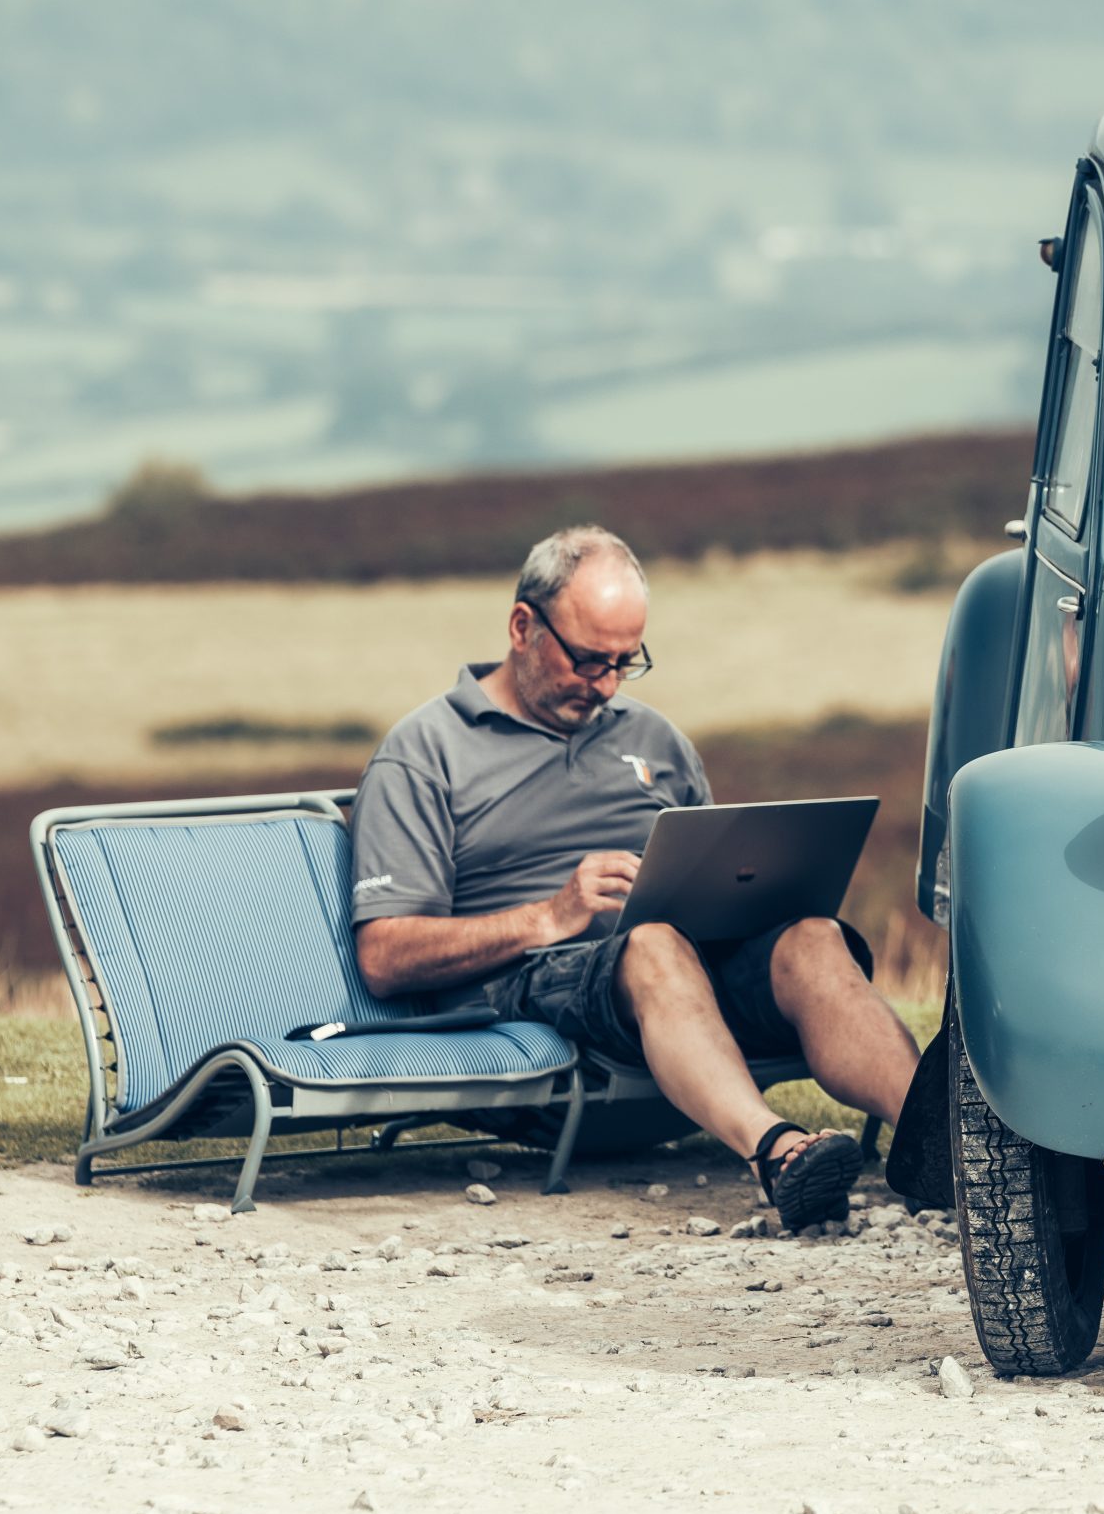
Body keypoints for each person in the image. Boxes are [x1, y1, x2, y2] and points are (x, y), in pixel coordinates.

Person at [348, 525, 918, 1228]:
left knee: (809, 936)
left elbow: (723, 874)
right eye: (588, 661)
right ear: (523, 625)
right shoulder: (425, 752)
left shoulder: (654, 740)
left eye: (626, 662)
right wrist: (548, 916)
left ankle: (947, 1145)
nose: (606, 685)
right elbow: (383, 957)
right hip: (534, 984)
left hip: (682, 985)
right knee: (651, 945)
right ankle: (778, 1154)